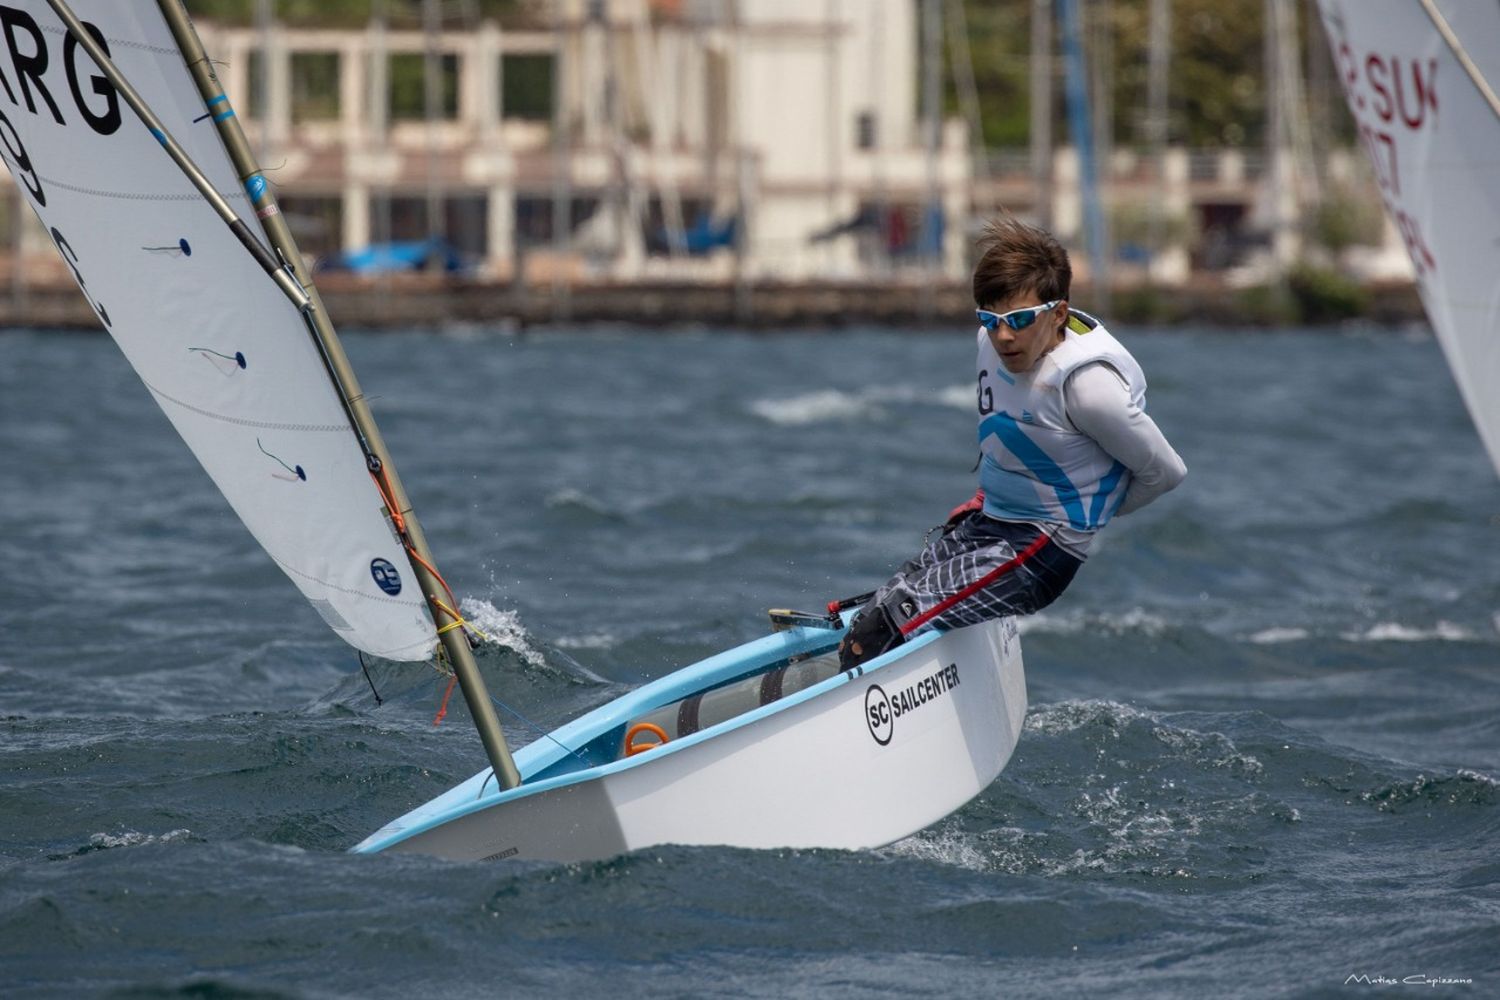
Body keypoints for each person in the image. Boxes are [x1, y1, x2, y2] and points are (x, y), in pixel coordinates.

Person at [839, 217, 1186, 668]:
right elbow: (1012, 429)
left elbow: (1167, 472)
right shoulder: (991, 338)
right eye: (991, 319)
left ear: (1058, 314)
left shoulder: (1089, 389)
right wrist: (991, 495)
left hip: (1041, 550)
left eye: (1020, 320)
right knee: (870, 609)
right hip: (991, 522)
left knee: (885, 624)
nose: (1003, 336)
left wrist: (1089, 515)